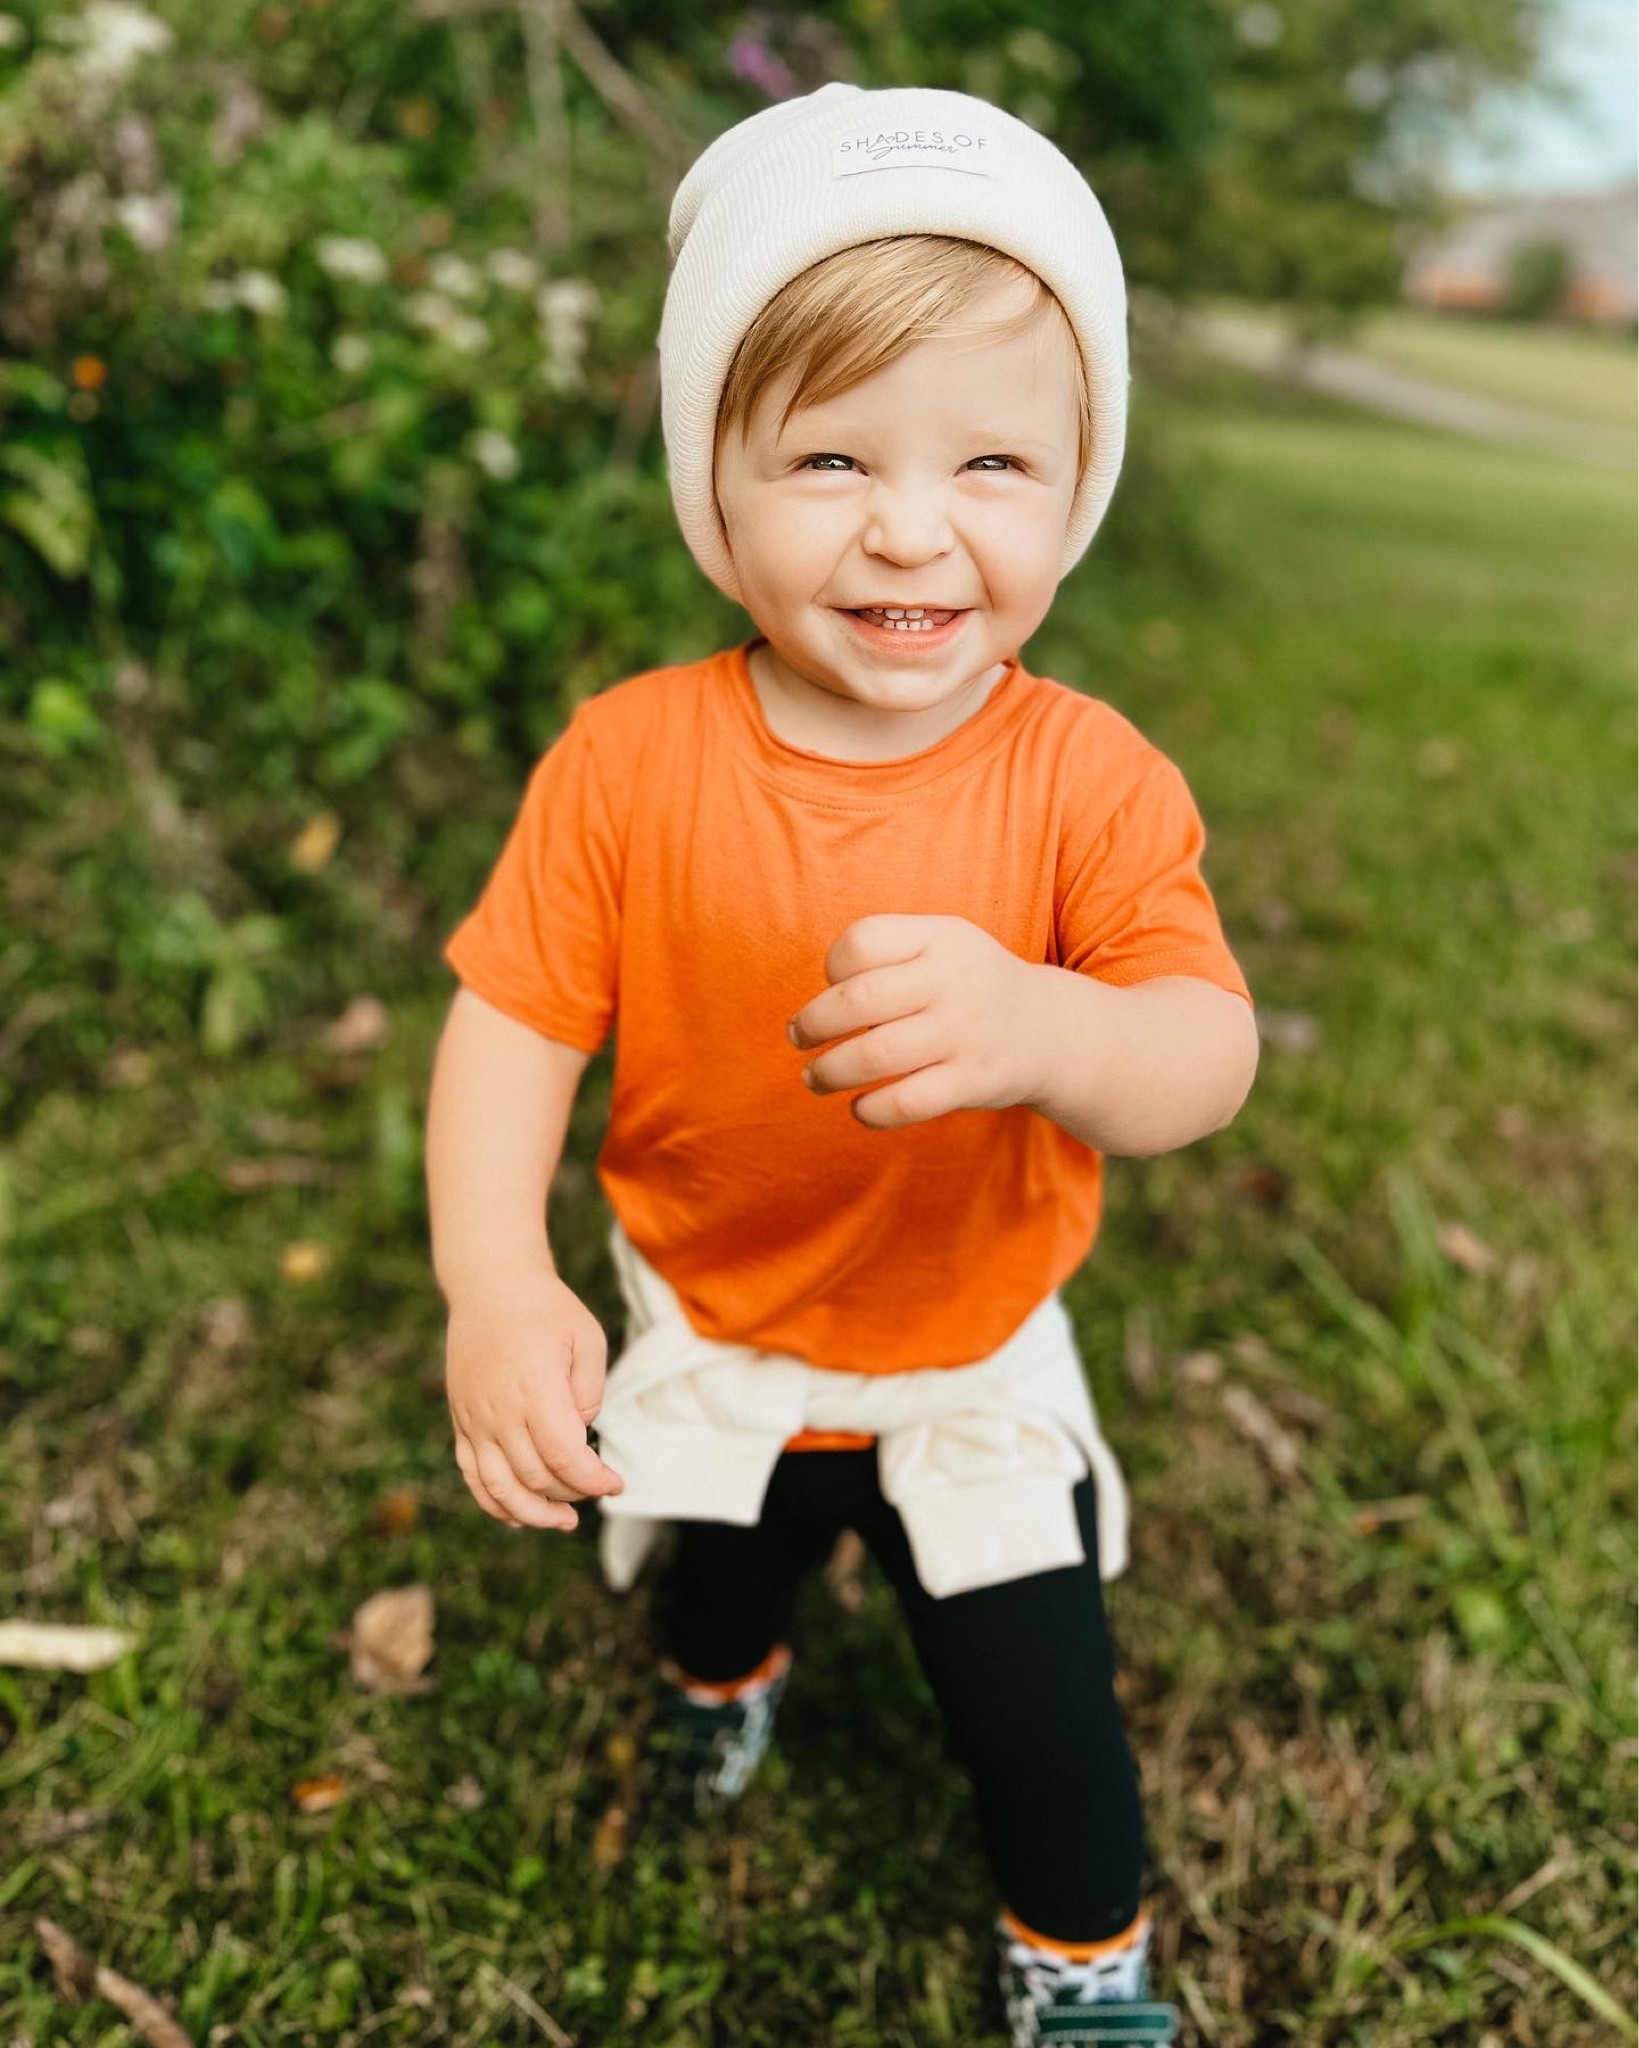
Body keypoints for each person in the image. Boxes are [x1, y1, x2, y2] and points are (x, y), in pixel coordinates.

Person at [425, 80, 1258, 2047]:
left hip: (969, 1353)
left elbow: (1200, 1050)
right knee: (718, 1580)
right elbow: (514, 1021)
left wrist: (1054, 1025)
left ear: (1079, 484)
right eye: (824, 454)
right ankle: (728, 1683)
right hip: (714, 1318)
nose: (908, 526)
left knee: (1043, 1710)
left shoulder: (1085, 780)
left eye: (990, 460)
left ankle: (1080, 1960)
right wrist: (493, 1276)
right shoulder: (632, 761)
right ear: (712, 481)